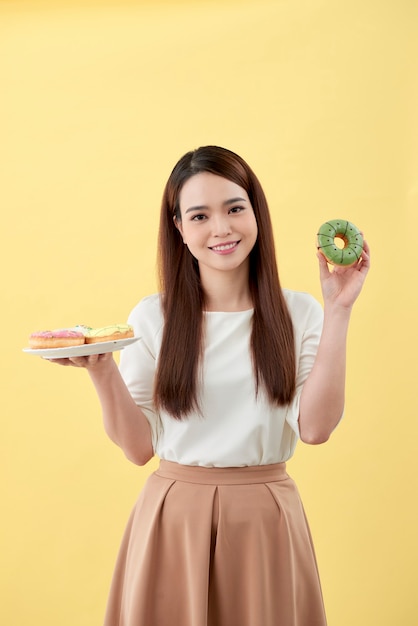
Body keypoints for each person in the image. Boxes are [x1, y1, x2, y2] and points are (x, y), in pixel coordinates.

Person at [51, 145, 370, 626]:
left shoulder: (300, 312)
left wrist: (340, 308)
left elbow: (316, 428)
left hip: (266, 519)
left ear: (256, 213)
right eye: (199, 215)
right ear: (179, 229)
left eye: (235, 208)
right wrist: (101, 369)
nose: (221, 229)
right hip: (172, 521)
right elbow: (139, 449)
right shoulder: (153, 317)